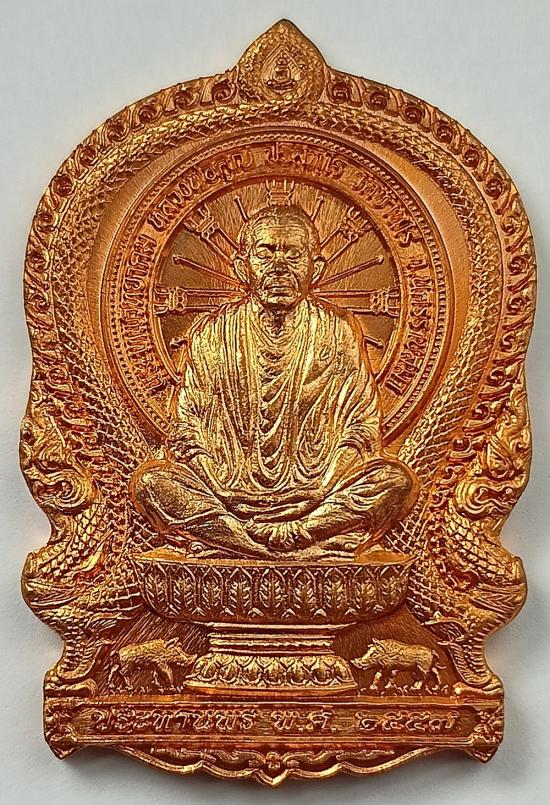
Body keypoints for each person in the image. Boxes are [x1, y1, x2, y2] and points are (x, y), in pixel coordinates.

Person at [131, 204, 416, 559]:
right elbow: (188, 431)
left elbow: (361, 429)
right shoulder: (213, 334)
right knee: (152, 484)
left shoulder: (337, 333)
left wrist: (321, 489)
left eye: (293, 254)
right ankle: (280, 547)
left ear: (316, 267)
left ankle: (267, 538)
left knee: (395, 482)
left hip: (318, 496)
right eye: (266, 253)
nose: (279, 266)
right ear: (243, 266)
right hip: (226, 494)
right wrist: (220, 487)